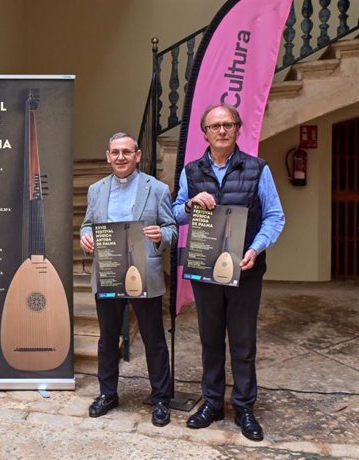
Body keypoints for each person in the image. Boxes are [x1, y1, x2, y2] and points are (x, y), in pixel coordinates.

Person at [173, 104, 285, 441]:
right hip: (206, 269)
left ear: (238, 129)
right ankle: (212, 403)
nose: (222, 131)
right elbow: (175, 213)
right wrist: (191, 204)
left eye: (228, 125)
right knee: (209, 339)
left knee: (242, 340)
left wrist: (256, 248)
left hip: (245, 270)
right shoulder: (190, 172)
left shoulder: (257, 169)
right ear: (204, 132)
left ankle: (244, 407)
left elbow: (275, 216)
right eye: (215, 126)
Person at [80, 132, 177, 426]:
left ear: (137, 155)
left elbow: (171, 227)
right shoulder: (96, 190)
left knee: (154, 339)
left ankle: (161, 399)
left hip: (143, 274)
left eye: (126, 152)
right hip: (108, 272)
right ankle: (108, 394)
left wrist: (162, 236)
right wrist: (85, 237)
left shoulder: (157, 189)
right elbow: (87, 224)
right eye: (115, 152)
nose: (120, 157)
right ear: (108, 156)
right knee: (108, 339)